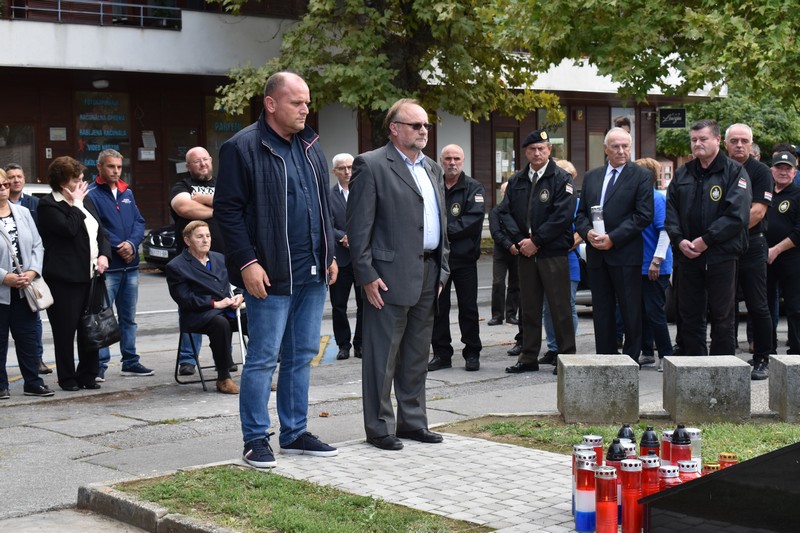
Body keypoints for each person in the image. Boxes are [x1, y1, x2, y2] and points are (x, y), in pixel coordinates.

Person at [215, 71, 339, 468]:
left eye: (307, 102)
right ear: (271, 104)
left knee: (302, 354)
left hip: (312, 272)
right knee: (263, 357)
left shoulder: (311, 146)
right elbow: (227, 212)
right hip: (269, 275)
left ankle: (295, 432)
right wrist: (247, 263)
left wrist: (330, 253)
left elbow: (323, 205)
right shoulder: (242, 147)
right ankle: (255, 439)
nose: (305, 109)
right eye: (296, 102)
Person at [347, 98, 449, 451]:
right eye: (415, 125)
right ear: (394, 128)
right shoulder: (371, 164)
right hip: (386, 277)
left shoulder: (432, 168)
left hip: (428, 272)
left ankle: (413, 422)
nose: (423, 131)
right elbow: (359, 226)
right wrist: (366, 274)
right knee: (382, 357)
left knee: (417, 355)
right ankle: (379, 428)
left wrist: (442, 269)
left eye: (426, 125)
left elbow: (440, 222)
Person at [665, 119, 751, 356]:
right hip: (688, 256)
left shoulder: (734, 172)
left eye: (703, 139)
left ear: (717, 140)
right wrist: (679, 240)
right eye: (694, 140)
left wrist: (706, 240)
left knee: (722, 316)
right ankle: (694, 366)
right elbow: (671, 213)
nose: (697, 144)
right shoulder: (683, 173)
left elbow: (737, 215)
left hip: (721, 256)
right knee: (689, 315)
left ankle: (722, 368)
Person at [496, 129, 576, 374]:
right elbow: (505, 212)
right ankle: (528, 357)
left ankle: (566, 357)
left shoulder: (561, 178)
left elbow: (563, 216)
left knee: (559, 308)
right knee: (529, 307)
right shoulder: (517, 180)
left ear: (549, 150)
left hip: (552, 253)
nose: (537, 153)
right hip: (526, 253)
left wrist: (537, 241)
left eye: (542, 148)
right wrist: (521, 240)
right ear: (525, 152)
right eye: (532, 149)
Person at [575, 127, 653, 361]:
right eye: (615, 146)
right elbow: (581, 214)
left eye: (625, 146)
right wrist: (587, 233)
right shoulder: (592, 176)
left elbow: (643, 215)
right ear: (605, 149)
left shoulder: (640, 176)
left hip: (625, 254)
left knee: (630, 309)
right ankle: (605, 357)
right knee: (601, 309)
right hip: (597, 254)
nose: (621, 151)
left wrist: (613, 238)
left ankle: (631, 358)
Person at [38, 156, 111, 391]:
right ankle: (68, 378)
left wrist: (104, 255)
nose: (81, 184)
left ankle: (88, 375)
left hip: (92, 276)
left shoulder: (85, 200)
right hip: (65, 280)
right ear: (62, 183)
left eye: (81, 179)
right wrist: (77, 203)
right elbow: (68, 229)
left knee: (91, 328)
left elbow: (101, 233)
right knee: (65, 331)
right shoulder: (49, 205)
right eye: (76, 180)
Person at [87, 149, 153, 380]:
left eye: (118, 167)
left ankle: (130, 361)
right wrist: (118, 246)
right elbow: (97, 227)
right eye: (110, 166)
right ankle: (100, 366)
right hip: (109, 267)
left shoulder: (127, 192)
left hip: (131, 266)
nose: (116, 171)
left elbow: (139, 221)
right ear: (99, 167)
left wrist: (132, 244)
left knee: (129, 319)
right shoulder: (91, 194)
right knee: (103, 317)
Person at [166, 220, 241, 394]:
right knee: (220, 324)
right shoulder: (176, 266)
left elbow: (236, 281)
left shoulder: (219, 258)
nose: (206, 240)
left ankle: (260, 374)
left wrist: (239, 294)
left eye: (208, 236)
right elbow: (184, 298)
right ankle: (223, 378)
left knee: (256, 318)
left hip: (228, 309)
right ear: (187, 240)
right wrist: (214, 303)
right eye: (199, 236)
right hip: (199, 314)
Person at [429, 144, 485, 372]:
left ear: (463, 160)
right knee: (438, 308)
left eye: (456, 158)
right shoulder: (433, 185)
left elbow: (472, 220)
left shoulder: (474, 187)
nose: (452, 162)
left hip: (464, 259)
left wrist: (441, 233)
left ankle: (472, 353)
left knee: (468, 308)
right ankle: (442, 354)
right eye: (448, 158)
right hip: (437, 259)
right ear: (441, 161)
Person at [170, 146, 224, 376]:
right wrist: (218, 207)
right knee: (191, 306)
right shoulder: (182, 186)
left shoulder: (223, 184)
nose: (202, 164)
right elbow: (184, 207)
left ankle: (225, 358)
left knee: (227, 307)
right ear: (188, 166)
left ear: (211, 160)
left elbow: (240, 204)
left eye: (205, 159)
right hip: (191, 263)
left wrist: (203, 199)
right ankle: (188, 359)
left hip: (222, 260)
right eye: (196, 161)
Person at [724, 124, 773, 375]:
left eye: (744, 141)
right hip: (723, 246)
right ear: (725, 144)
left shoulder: (761, 171)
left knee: (757, 304)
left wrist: (721, 230)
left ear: (751, 144)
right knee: (723, 305)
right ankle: (725, 357)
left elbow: (758, 212)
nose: (739, 145)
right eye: (734, 141)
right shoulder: (719, 169)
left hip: (752, 244)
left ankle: (763, 357)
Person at [0, 169, 52, 399]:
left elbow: (37, 245)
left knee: (28, 338)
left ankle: (33, 382)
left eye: (5, 184)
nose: (4, 188)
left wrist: (32, 272)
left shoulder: (22, 212)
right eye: (0, 185)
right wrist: (4, 277)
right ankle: (1, 385)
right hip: (2, 288)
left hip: (24, 288)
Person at [540, 159, 582, 373]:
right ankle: (553, 347)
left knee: (567, 305)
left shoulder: (576, 202)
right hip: (548, 257)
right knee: (548, 306)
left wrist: (562, 245)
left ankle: (566, 347)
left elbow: (580, 231)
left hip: (567, 258)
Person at [634, 158, 673, 371]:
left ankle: (666, 355)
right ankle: (647, 352)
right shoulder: (640, 198)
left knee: (654, 311)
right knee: (642, 312)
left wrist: (656, 261)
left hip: (654, 265)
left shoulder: (657, 199)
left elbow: (664, 231)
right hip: (641, 265)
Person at [765, 151, 800, 379]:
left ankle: (796, 354)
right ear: (772, 170)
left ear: (795, 173)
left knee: (795, 308)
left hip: (791, 258)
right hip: (764, 259)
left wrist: (776, 249)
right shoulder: (765, 194)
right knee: (765, 307)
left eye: (788, 169)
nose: (783, 172)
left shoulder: (798, 194)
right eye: (779, 167)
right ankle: (767, 352)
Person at [328, 152, 363, 361]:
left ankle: (360, 344)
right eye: (342, 168)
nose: (347, 172)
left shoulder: (364, 192)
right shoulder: (328, 196)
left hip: (362, 258)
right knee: (339, 305)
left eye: (350, 167)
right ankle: (343, 345)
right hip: (339, 259)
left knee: (364, 304)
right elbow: (326, 223)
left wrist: (356, 236)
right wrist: (343, 236)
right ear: (335, 171)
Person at [488, 182, 523, 355]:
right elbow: (495, 232)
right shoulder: (495, 211)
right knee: (498, 282)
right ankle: (497, 315)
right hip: (502, 252)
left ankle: (511, 315)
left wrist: (517, 246)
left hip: (518, 251)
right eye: (503, 190)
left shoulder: (518, 210)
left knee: (516, 284)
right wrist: (509, 245)